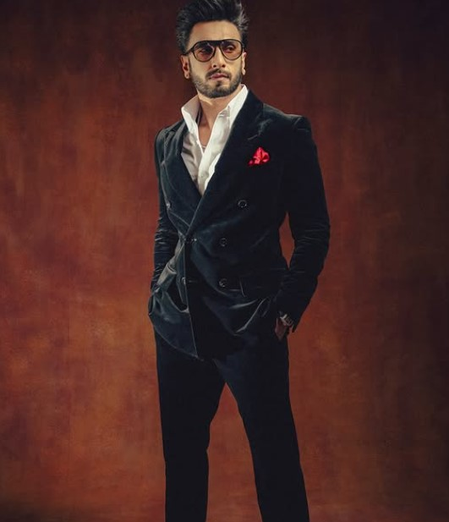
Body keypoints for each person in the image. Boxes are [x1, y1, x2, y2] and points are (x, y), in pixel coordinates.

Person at [148, 1, 330, 521]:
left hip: (251, 321)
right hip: (180, 322)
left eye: (229, 47)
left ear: (244, 57)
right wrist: (158, 290)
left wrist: (287, 308)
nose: (218, 59)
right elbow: (169, 226)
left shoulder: (282, 131)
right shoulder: (168, 141)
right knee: (182, 462)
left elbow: (313, 230)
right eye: (204, 49)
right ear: (186, 63)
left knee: (276, 463)